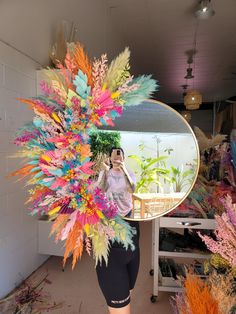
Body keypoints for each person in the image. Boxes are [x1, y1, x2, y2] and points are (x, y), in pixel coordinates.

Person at [95, 147, 140, 314]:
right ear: (109, 157)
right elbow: (99, 190)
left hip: (131, 224)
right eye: (114, 154)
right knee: (119, 303)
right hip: (110, 228)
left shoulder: (129, 172)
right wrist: (105, 172)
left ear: (124, 157)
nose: (117, 157)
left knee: (129, 289)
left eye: (119, 154)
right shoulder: (104, 173)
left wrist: (124, 170)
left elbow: (132, 189)